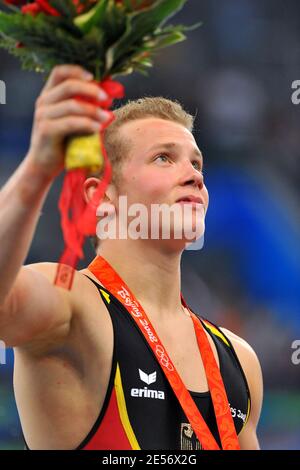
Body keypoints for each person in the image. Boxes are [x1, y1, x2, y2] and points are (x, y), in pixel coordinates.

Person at [0, 64, 263, 450]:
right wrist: (39, 166)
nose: (195, 176)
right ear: (101, 197)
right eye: (163, 158)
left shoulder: (239, 359)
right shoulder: (73, 305)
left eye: (196, 162)